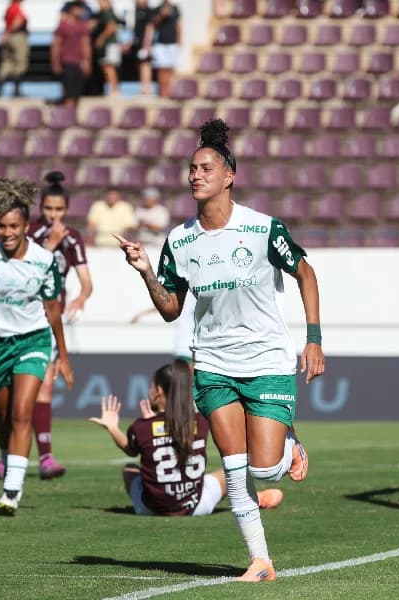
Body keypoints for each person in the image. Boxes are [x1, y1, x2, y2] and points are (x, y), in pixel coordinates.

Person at [115, 119, 325, 581]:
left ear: (229, 175)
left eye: (205, 167)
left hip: (267, 360)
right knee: (234, 468)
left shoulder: (263, 228)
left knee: (266, 471)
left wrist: (314, 339)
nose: (195, 175)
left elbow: (306, 274)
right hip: (212, 364)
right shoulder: (180, 240)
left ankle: (289, 449)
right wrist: (148, 272)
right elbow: (171, 309)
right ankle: (261, 560)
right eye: (191, 168)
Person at [0, 177, 74, 515]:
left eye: (14, 226)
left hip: (33, 341)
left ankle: (11, 491)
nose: (7, 233)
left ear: (25, 226)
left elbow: (53, 310)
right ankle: (8, 460)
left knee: (22, 413)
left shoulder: (43, 261)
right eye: (2, 226)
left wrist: (62, 355)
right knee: (4, 417)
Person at [0, 171, 92, 480]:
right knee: (11, 395)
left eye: (59, 210)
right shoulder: (31, 234)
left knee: (45, 388)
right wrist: (50, 246)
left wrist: (80, 298)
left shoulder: (73, 237)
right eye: (48, 209)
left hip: (48, 320)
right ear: (41, 209)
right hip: (19, 317)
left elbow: (87, 281)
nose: (53, 215)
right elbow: (21, 271)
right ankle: (5, 455)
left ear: (66, 210)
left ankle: (46, 457)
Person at [89, 361, 284, 516]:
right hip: (197, 506)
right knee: (228, 472)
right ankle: (252, 499)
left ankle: (252, 498)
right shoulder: (202, 420)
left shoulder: (141, 427)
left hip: (150, 509)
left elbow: (131, 450)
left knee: (130, 469)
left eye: (151, 385)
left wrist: (113, 427)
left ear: (158, 391)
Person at [51, 1, 92, 107]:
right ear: (72, 9)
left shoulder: (82, 26)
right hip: (67, 61)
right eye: (78, 8)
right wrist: (55, 62)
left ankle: (72, 116)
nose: (81, 11)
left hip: (79, 63)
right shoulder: (63, 26)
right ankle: (67, 118)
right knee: (68, 93)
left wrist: (87, 61)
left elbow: (86, 45)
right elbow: (56, 45)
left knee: (77, 94)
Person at [0, 0, 29, 97]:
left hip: (8, 36)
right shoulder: (16, 7)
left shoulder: (9, 7)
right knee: (20, 62)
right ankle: (16, 91)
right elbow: (17, 21)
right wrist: (9, 32)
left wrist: (6, 34)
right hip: (17, 36)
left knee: (7, 62)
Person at [148, 0, 181, 98]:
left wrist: (179, 42)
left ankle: (171, 93)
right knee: (162, 70)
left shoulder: (175, 8)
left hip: (172, 44)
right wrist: (161, 16)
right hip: (160, 44)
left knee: (171, 69)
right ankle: (162, 93)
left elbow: (178, 25)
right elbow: (153, 25)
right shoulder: (156, 9)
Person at [89, 0, 121, 97]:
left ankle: (114, 91)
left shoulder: (106, 12)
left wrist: (101, 39)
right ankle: (113, 90)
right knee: (107, 67)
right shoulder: (104, 13)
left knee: (109, 67)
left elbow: (111, 27)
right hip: (110, 45)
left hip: (109, 44)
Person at [130, 0, 155, 95]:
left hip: (144, 44)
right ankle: (143, 87)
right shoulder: (135, 11)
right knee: (141, 65)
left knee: (145, 65)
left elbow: (149, 28)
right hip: (138, 43)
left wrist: (147, 44)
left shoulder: (148, 11)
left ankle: (147, 88)